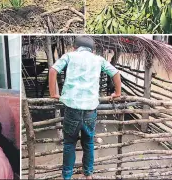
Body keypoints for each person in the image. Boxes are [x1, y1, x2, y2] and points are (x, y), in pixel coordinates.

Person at [49, 36, 122, 180]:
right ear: (92, 50)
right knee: (88, 143)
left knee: (69, 144)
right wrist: (117, 93)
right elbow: (115, 73)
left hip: (72, 109)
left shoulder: (69, 56)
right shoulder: (98, 59)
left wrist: (53, 93)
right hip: (90, 110)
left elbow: (53, 70)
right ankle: (88, 175)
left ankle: (67, 176)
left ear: (75, 47)